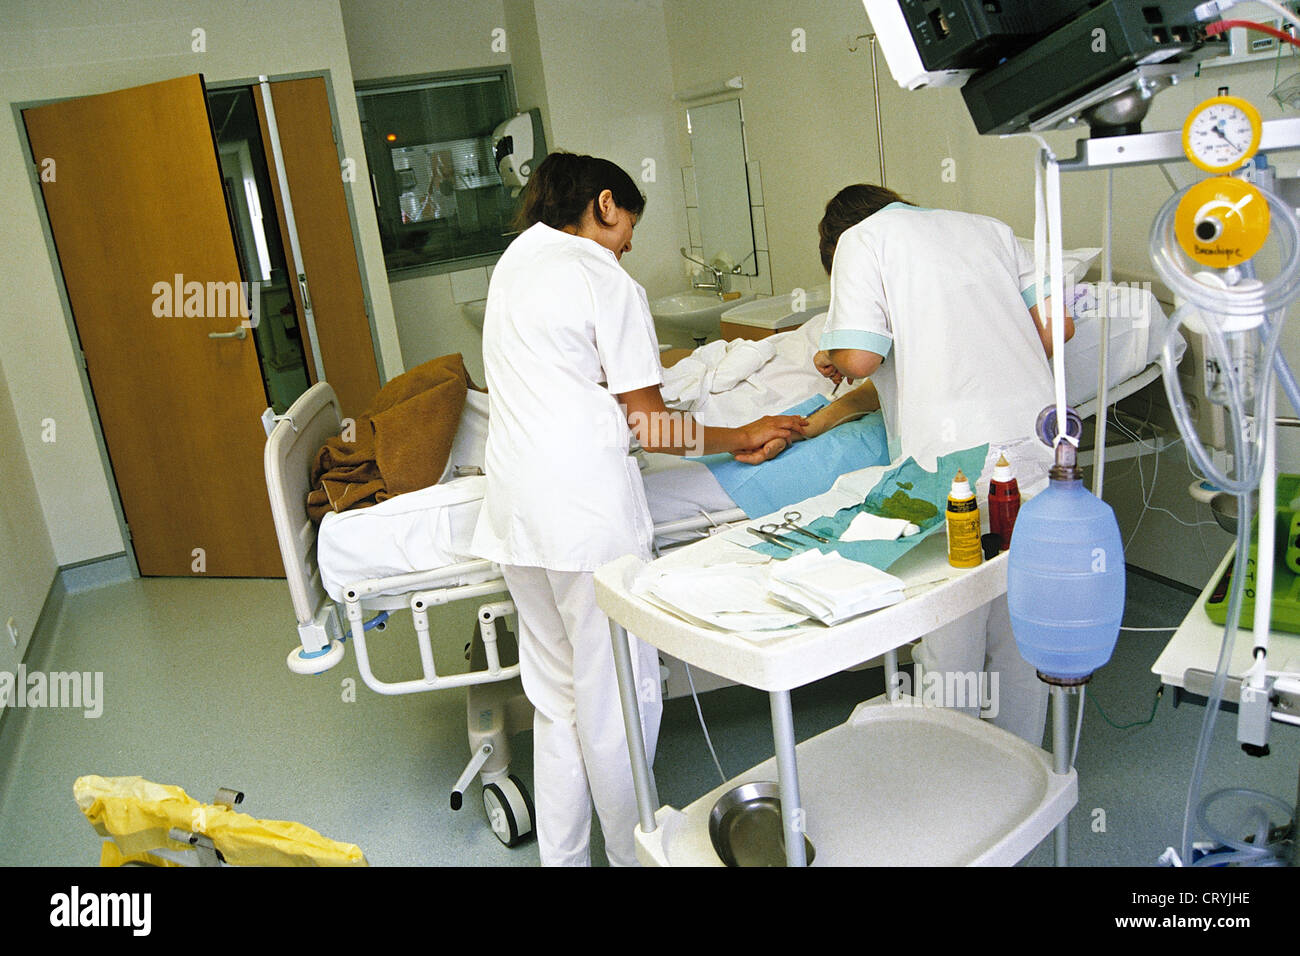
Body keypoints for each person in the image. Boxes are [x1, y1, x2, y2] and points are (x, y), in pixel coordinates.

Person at [471, 152, 806, 866]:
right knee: (621, 703)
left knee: (559, 702)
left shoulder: (514, 264)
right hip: (584, 520)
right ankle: (633, 859)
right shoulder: (600, 277)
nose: (629, 243)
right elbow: (652, 426)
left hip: (516, 518)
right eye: (628, 226)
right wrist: (740, 435)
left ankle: (562, 862)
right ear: (603, 204)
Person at [812, 183, 1074, 746]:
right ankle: (1020, 767)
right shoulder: (989, 227)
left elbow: (860, 359)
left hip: (950, 466)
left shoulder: (861, 242)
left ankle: (954, 775)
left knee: (951, 626)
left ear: (836, 244)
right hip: (1033, 446)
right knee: (1019, 611)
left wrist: (831, 350)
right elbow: (1059, 330)